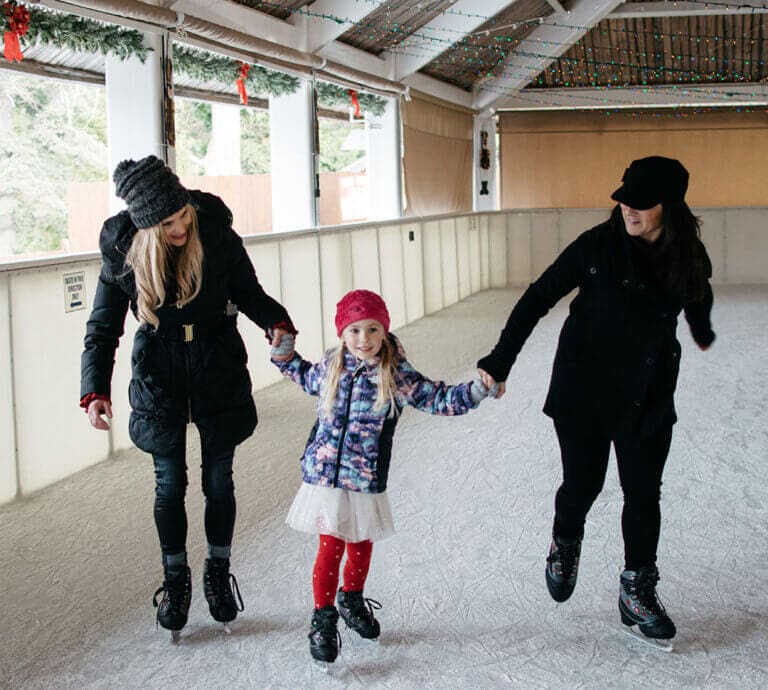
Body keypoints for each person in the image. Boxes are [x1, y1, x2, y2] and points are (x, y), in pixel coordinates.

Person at [477, 156, 715, 644]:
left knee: (644, 491)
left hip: (646, 390)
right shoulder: (597, 246)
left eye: (642, 202)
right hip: (585, 383)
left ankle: (637, 590)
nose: (629, 208)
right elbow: (538, 296)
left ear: (668, 206)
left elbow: (698, 292)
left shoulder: (686, 253)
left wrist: (700, 324)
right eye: (625, 197)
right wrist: (500, 361)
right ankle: (565, 541)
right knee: (582, 485)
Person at [80, 155, 296, 638]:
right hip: (159, 370)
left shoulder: (214, 229)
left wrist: (277, 323)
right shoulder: (122, 250)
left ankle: (217, 573)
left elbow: (249, 291)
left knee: (219, 481)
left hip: (217, 361)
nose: (179, 227)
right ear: (146, 227)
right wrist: (93, 388)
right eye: (167, 224)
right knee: (168, 483)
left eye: (181, 216)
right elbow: (102, 326)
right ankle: (175, 580)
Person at [270, 289, 495, 665]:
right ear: (342, 333)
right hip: (324, 476)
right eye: (354, 330)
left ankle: (351, 597)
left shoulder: (394, 373)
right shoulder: (331, 366)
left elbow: (435, 397)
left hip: (363, 477)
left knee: (359, 543)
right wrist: (283, 350)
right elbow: (301, 373)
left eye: (373, 330)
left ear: (385, 331)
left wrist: (476, 391)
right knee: (330, 546)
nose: (364, 340)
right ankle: (323, 616)